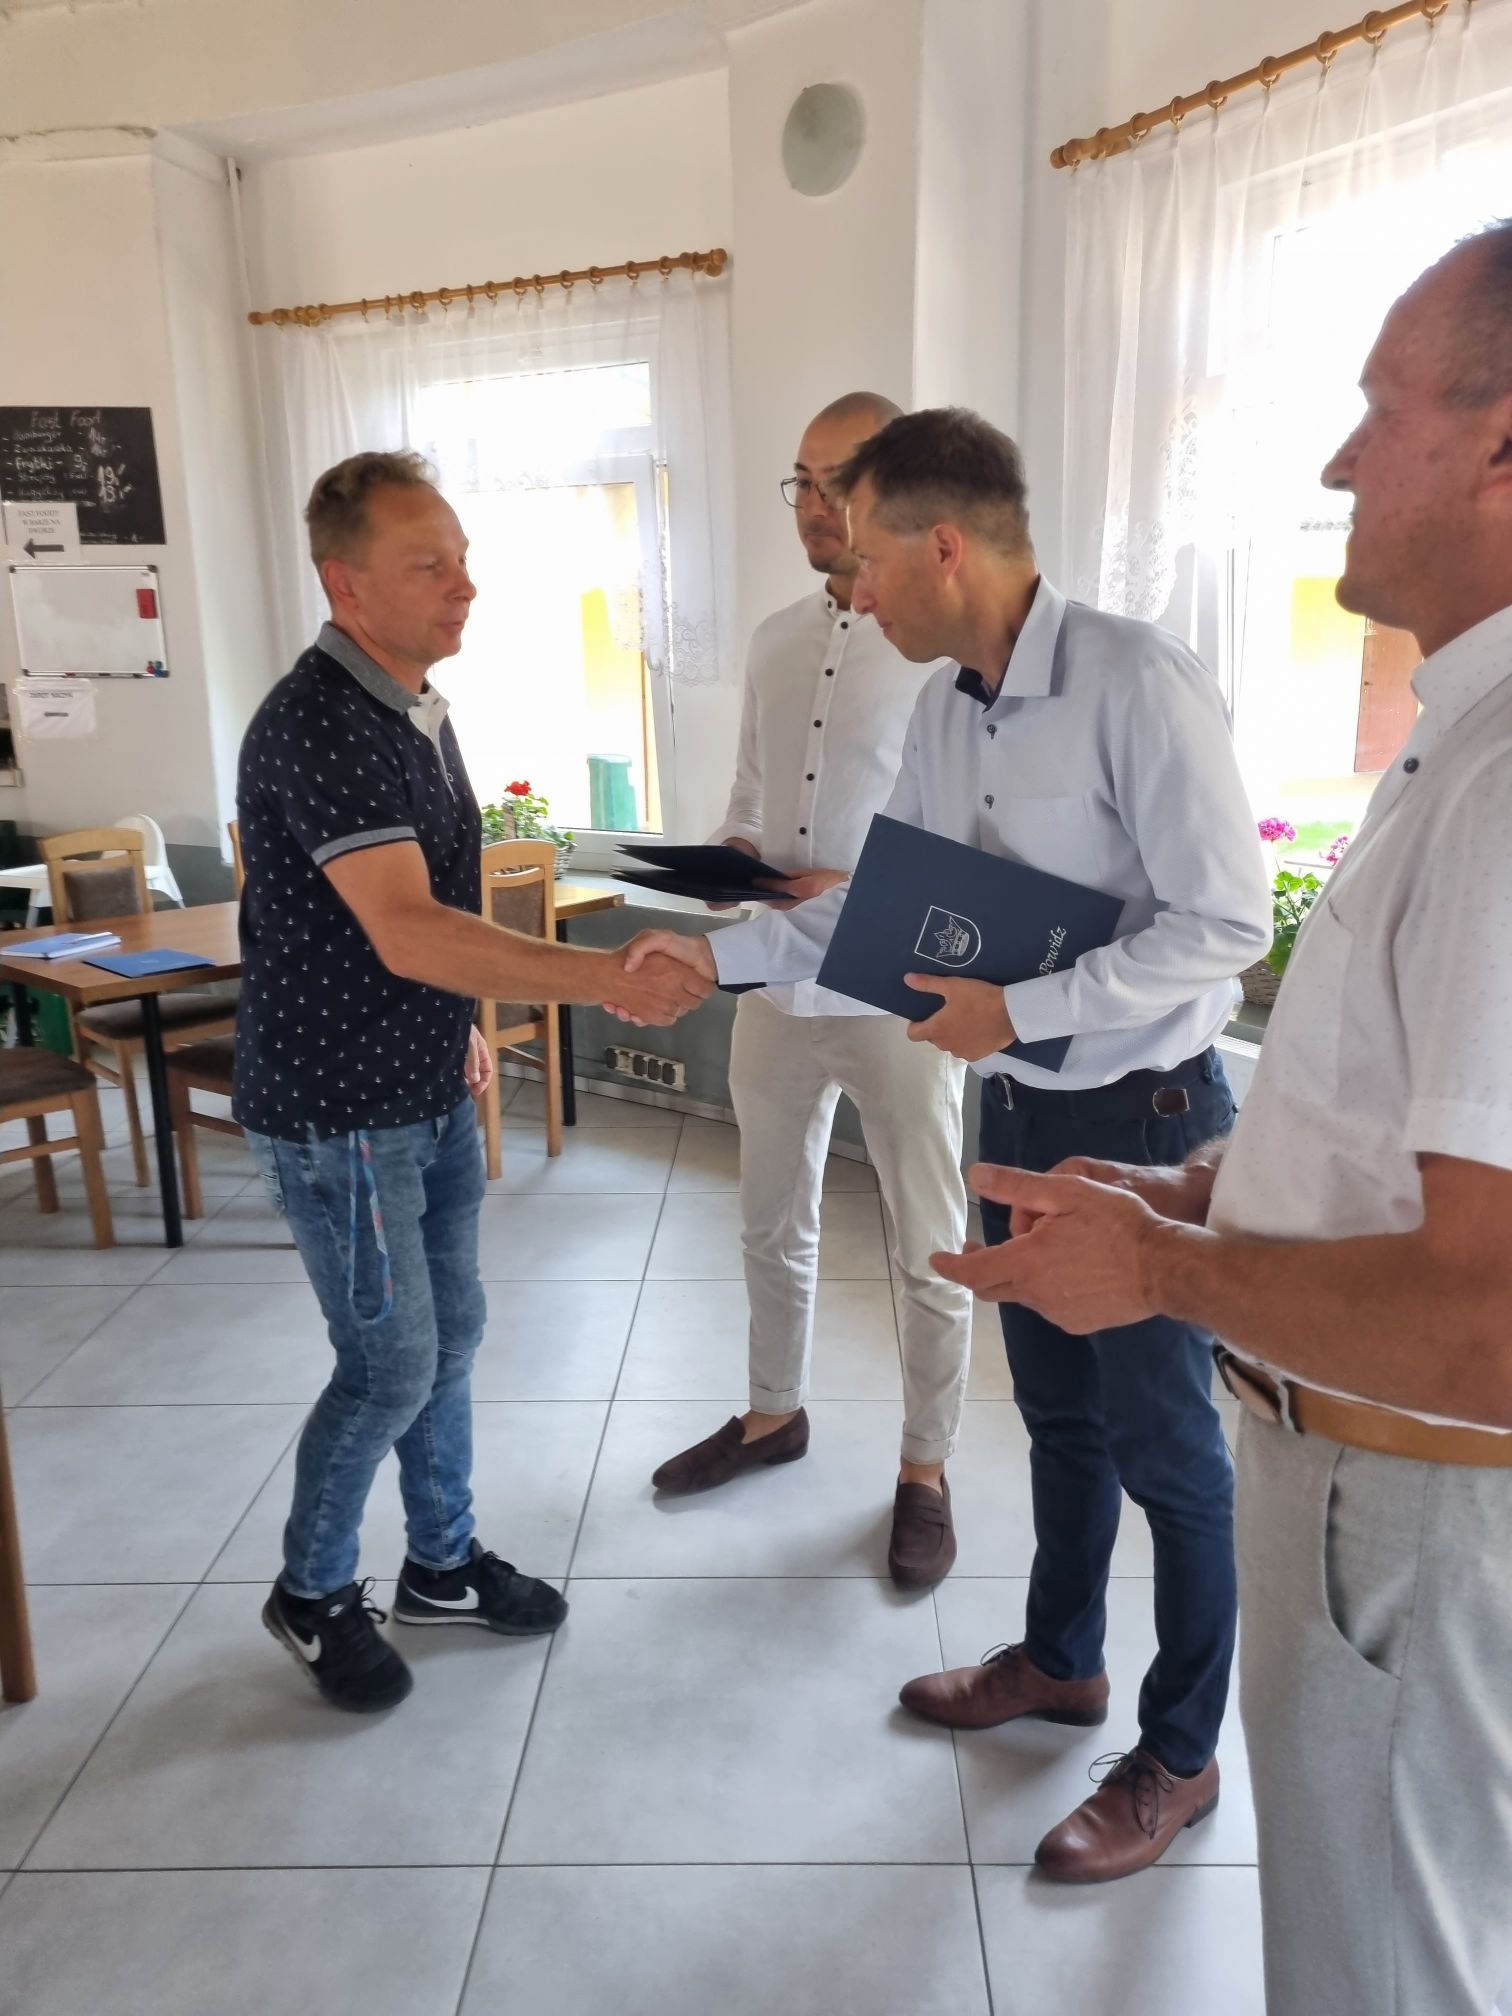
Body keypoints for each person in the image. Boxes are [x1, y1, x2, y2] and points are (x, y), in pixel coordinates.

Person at [931, 228, 1512, 2012]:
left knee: (1376, 1963)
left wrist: (1174, 1270)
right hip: (1353, 1455)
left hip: (1408, 1500)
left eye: (1379, 408)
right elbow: (1400, 1128)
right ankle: (1069, 1660)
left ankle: (1164, 1749)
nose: (1339, 459)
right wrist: (1208, 1193)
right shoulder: (1460, 737)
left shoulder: (1502, 780)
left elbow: (1492, 1317)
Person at [626, 407, 1271, 1879]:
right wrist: (713, 959)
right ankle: (1061, 1660)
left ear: (942, 548)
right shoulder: (944, 711)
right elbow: (883, 919)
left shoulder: (1135, 680)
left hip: (1147, 1118)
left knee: (1171, 1454)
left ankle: (1179, 1754)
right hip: (1021, 1105)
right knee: (1055, 1417)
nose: (851, 591)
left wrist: (1022, 1007)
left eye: (865, 561)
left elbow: (1227, 925)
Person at [236, 450, 710, 1713]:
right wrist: (604, 979)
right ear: (345, 583)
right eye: (428, 565)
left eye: (462, 558)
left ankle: (439, 1565)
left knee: (452, 1338)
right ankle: (311, 1592)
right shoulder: (319, 724)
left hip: (424, 1084)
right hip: (340, 1111)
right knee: (389, 1365)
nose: (465, 585)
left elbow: (427, 912)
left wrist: (458, 1031)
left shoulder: (414, 707)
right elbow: (407, 929)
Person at [649, 393, 974, 1589]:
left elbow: (966, 841)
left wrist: (852, 889)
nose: (816, 506)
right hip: (776, 983)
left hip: (898, 994)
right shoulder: (777, 641)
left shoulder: (941, 651)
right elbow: (749, 800)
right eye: (802, 480)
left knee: (928, 1242)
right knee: (766, 1216)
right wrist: (721, 869)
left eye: (840, 482)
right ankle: (771, 1413)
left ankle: (926, 1470)